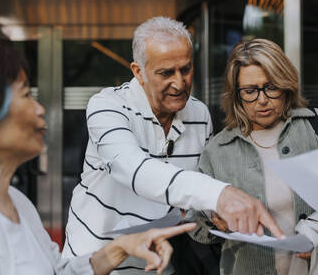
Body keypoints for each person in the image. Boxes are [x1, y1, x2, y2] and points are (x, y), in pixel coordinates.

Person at [63, 17, 282, 273]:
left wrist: (212, 213)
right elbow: (133, 169)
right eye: (166, 73)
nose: (179, 83)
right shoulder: (107, 106)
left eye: (185, 69)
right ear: (138, 71)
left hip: (159, 263)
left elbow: (190, 192)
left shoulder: (199, 114)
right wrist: (219, 194)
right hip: (95, 262)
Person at [0, 44, 197, 275]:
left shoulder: (19, 204)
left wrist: (123, 247)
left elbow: (59, 271)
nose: (40, 109)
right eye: (26, 94)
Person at [188, 38, 318, 275]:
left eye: (271, 87)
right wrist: (216, 219)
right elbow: (196, 226)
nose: (262, 99)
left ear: (286, 85)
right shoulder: (218, 150)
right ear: (236, 95)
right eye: (250, 91)